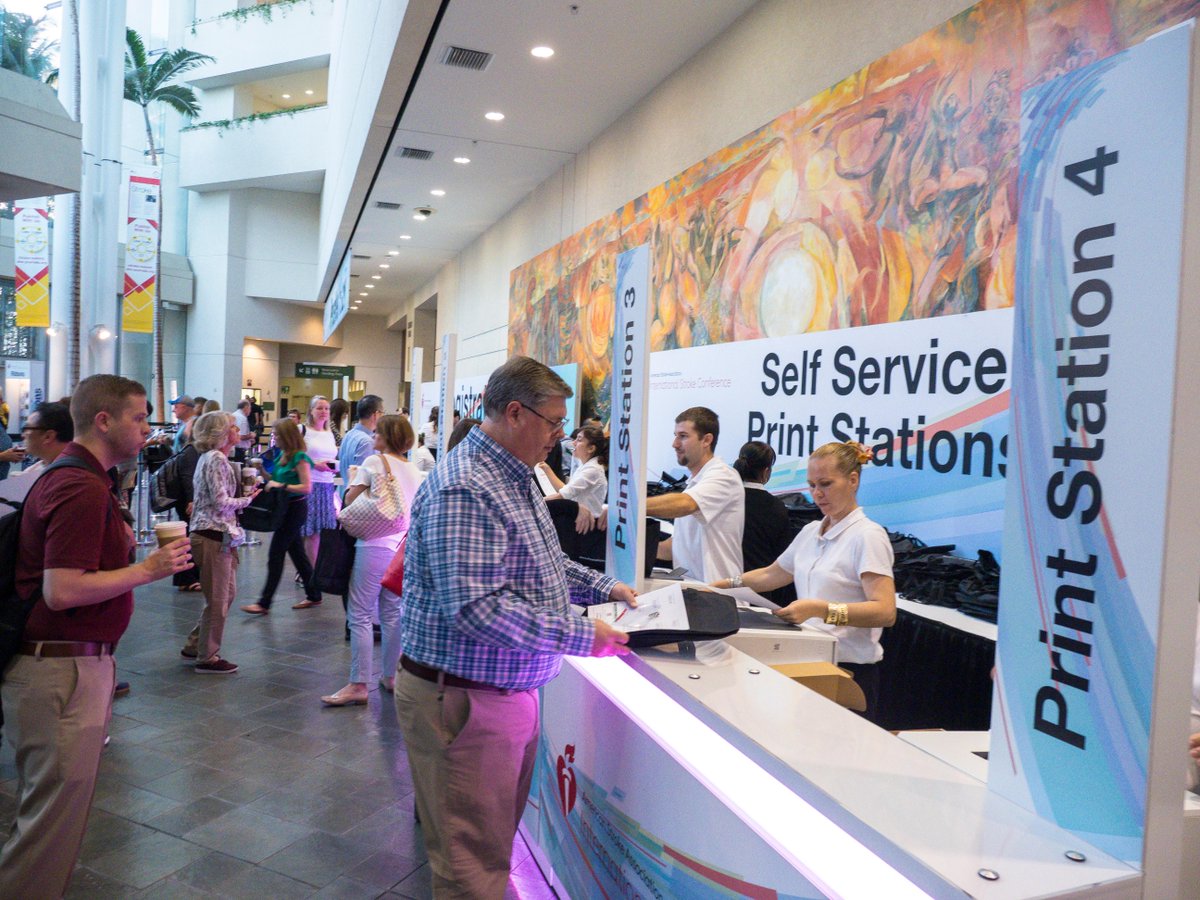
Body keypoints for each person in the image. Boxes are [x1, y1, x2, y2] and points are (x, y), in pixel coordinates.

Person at [396, 357, 636, 897]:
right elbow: (478, 609)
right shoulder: (467, 486)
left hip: (495, 698)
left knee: (486, 853)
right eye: (553, 422)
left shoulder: (511, 473)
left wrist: (603, 588)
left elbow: (542, 561)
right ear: (513, 413)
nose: (560, 435)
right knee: (469, 869)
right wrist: (582, 635)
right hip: (462, 702)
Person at [0, 375, 192, 895]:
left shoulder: (82, 479)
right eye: (139, 416)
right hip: (61, 668)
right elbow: (61, 590)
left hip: (70, 665)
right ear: (103, 420)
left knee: (49, 824)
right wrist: (149, 569)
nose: (147, 428)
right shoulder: (79, 485)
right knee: (45, 836)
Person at [711, 441, 896, 719]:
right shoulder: (812, 530)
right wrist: (724, 585)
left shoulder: (868, 536)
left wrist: (820, 610)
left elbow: (884, 611)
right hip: (809, 659)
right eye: (811, 485)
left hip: (848, 671)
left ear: (853, 480)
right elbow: (773, 573)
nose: (817, 494)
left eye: (826, 484)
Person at [322, 415, 421, 706]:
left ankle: (358, 683)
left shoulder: (375, 463)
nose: (373, 436)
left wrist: (354, 481)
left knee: (361, 613)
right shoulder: (413, 469)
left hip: (373, 544)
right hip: (401, 546)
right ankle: (391, 675)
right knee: (392, 613)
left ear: (386, 436)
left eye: (378, 432)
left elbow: (351, 499)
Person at [179, 413, 259, 674]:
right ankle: (208, 656)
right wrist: (248, 499)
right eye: (233, 427)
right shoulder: (215, 458)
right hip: (212, 534)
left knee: (226, 594)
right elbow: (221, 502)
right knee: (218, 599)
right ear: (222, 434)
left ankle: (196, 643)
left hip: (218, 534)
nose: (238, 430)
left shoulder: (216, 458)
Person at [645, 407, 744, 582]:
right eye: (675, 435)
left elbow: (686, 504)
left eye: (683, 436)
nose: (675, 444)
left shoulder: (723, 476)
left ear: (706, 440)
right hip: (695, 592)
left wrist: (629, 507)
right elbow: (675, 547)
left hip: (718, 597)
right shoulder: (695, 483)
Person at [241, 418, 322, 615]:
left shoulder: (299, 458)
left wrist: (282, 486)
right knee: (297, 554)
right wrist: (261, 472)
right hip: (284, 508)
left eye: (276, 434)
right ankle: (314, 594)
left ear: (286, 435)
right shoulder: (283, 455)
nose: (273, 437)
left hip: (295, 509)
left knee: (275, 554)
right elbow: (275, 480)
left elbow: (306, 487)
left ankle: (264, 602)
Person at [733, 440, 796, 605]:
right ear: (766, 471)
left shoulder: (724, 499)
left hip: (721, 586)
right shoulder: (776, 507)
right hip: (759, 595)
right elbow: (783, 559)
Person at [297, 395, 339, 592]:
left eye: (326, 408)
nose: (323, 411)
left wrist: (332, 467)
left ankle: (312, 570)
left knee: (322, 532)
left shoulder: (330, 433)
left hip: (327, 485)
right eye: (320, 408)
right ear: (311, 411)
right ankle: (311, 573)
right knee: (311, 532)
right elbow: (295, 456)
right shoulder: (303, 431)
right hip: (310, 483)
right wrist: (315, 465)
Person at [538, 424, 608, 534]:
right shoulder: (585, 465)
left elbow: (563, 494)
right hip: (579, 522)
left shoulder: (592, 470)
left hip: (586, 525)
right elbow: (568, 490)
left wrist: (534, 502)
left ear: (591, 448)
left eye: (579, 440)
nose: (573, 443)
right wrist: (547, 470)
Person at [337, 394, 384, 498]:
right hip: (358, 500)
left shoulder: (349, 434)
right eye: (382, 413)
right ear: (375, 415)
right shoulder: (367, 442)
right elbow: (363, 479)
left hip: (344, 493)